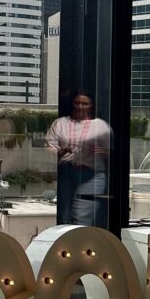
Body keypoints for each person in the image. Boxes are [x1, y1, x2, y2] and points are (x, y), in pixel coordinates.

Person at [46, 92, 112, 228]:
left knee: (82, 218)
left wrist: (103, 152)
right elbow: (49, 147)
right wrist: (59, 152)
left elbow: (112, 152)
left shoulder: (101, 126)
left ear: (91, 106)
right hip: (67, 173)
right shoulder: (60, 123)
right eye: (77, 102)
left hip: (92, 174)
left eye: (84, 103)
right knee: (64, 214)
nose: (80, 106)